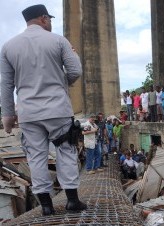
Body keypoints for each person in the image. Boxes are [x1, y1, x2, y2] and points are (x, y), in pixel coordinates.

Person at [0, 4, 86, 215]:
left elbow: (6, 84)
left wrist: (8, 116)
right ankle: (72, 201)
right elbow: (75, 70)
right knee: (66, 150)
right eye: (50, 20)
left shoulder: (8, 47)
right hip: (58, 109)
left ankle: (46, 206)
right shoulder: (58, 40)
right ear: (44, 19)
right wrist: (61, 83)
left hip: (28, 113)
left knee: (36, 157)